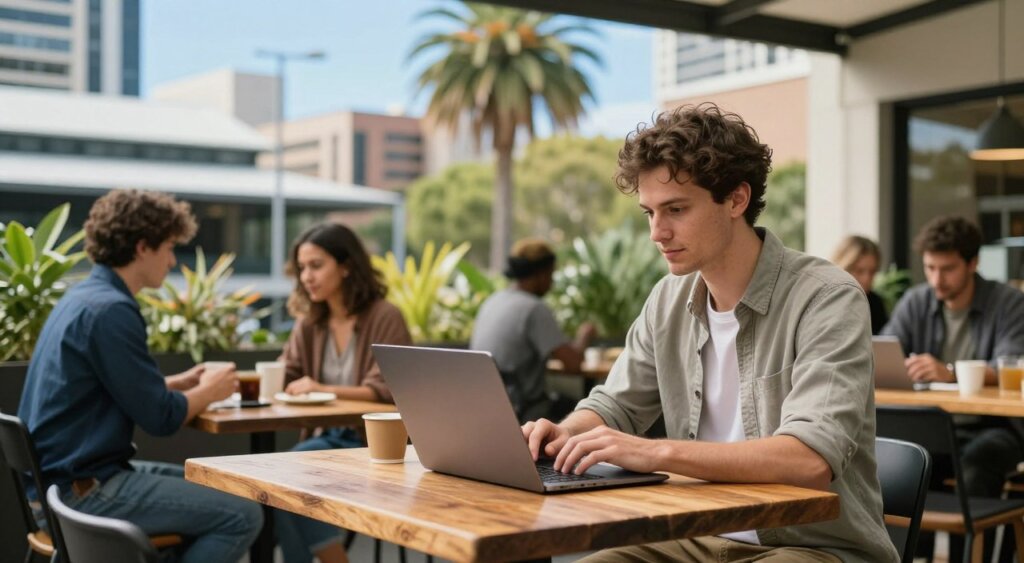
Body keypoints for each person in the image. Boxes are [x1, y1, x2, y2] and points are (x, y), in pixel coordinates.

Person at [521, 104, 897, 562]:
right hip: (695, 534)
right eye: (649, 213)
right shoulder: (668, 298)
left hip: (811, 545)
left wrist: (654, 453)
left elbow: (808, 460)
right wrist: (562, 434)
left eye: (676, 209)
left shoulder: (827, 297)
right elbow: (614, 406)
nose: (657, 233)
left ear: (736, 200)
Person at [17, 189, 262, 563]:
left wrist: (175, 384)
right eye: (168, 247)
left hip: (53, 489)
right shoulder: (112, 311)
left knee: (210, 482)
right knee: (243, 513)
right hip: (82, 491)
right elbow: (161, 418)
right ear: (143, 247)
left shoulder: (81, 298)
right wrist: (209, 391)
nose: (172, 260)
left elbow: (98, 390)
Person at [275, 222, 412, 563]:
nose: (307, 276)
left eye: (316, 266)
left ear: (347, 266)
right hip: (323, 439)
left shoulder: (385, 316)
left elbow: (386, 389)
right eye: (302, 268)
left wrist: (321, 388)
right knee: (277, 482)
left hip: (372, 442)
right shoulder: (310, 321)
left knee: (287, 473)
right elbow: (286, 372)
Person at [882, 216, 1024, 498]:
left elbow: (1010, 365)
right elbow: (883, 352)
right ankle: (911, 544)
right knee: (907, 466)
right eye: (930, 267)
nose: (936, 279)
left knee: (977, 464)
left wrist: (950, 372)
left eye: (947, 269)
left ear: (973, 264)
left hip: (994, 425)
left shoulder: (1008, 303)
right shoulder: (916, 301)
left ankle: (970, 542)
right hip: (932, 423)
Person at [470, 238, 596, 424]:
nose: (552, 282)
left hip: (485, 406)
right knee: (590, 413)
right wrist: (584, 337)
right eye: (551, 274)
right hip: (523, 412)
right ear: (540, 274)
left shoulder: (493, 301)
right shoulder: (534, 308)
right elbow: (573, 365)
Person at [831, 235, 889, 334]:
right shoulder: (827, 301)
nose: (866, 279)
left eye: (872, 272)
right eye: (859, 271)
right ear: (843, 268)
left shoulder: (875, 303)